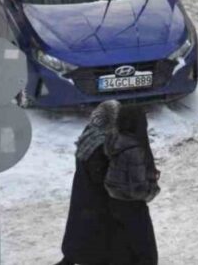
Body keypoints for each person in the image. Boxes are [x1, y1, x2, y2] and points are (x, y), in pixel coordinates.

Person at [57, 100, 120, 265]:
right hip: (95, 199)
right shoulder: (102, 144)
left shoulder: (89, 133)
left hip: (81, 192)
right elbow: (101, 176)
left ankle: (69, 257)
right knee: (95, 235)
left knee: (77, 228)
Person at [104, 105, 160, 265]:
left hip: (114, 201)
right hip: (132, 205)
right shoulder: (134, 149)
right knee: (146, 254)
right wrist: (152, 191)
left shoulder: (114, 139)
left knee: (124, 250)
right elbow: (138, 187)